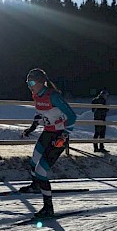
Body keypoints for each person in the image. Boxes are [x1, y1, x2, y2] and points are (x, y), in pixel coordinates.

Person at [20, 68, 76, 218]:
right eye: (27, 83)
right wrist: (31, 129)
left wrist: (64, 135)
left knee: (41, 171)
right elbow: (40, 114)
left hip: (58, 136)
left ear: (41, 82)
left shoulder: (53, 96)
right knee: (33, 161)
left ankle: (48, 208)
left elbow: (72, 116)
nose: (29, 86)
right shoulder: (36, 95)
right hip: (47, 133)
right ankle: (35, 186)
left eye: (31, 82)